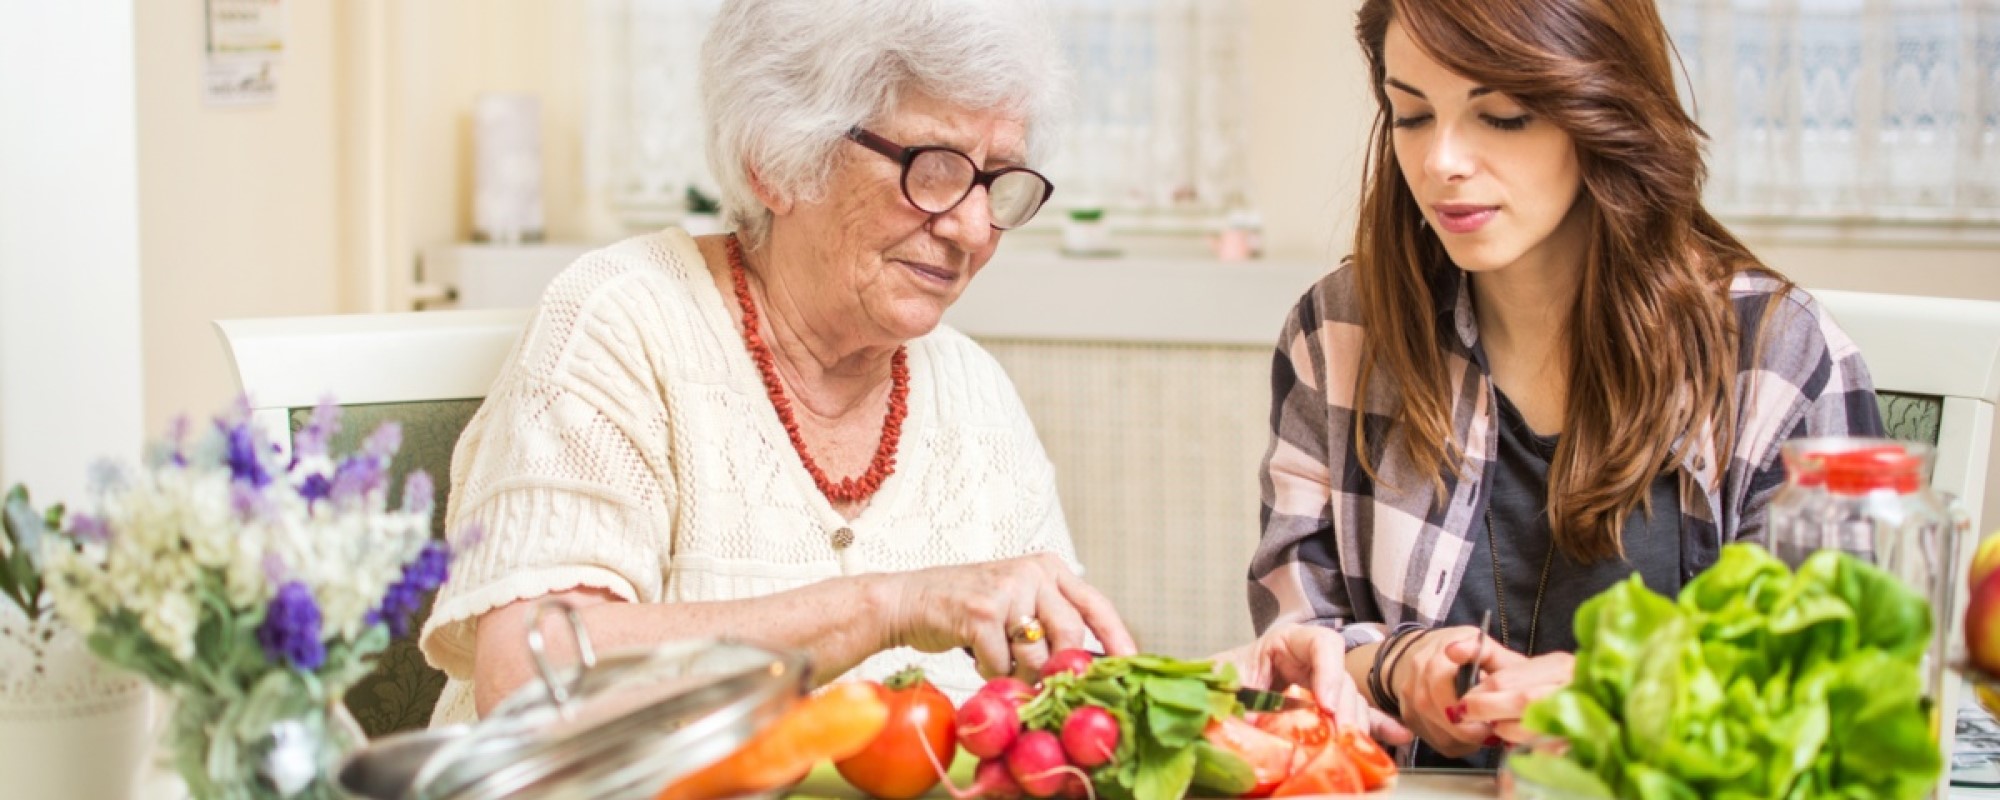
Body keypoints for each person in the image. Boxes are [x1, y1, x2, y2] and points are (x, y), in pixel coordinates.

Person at [417, 0, 1139, 724]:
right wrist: (885, 605)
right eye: (935, 167)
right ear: (777, 162)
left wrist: (1197, 695)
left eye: (999, 179)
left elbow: (1061, 696)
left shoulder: (973, 393)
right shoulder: (624, 323)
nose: (973, 228)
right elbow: (528, 680)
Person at [1246, 0, 1884, 765]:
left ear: (1605, 107)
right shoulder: (1339, 335)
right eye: (1411, 115)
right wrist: (1394, 667)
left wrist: (1624, 701)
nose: (1441, 159)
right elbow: (1293, 645)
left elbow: (1835, 680)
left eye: (1504, 115)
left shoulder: (1775, 357)